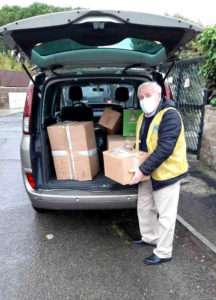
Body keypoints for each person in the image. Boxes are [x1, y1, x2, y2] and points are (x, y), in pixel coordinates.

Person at [129, 81, 188, 265]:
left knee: (166, 215)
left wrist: (141, 170)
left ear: (159, 95)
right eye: (141, 97)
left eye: (148, 96)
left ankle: (163, 252)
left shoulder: (170, 116)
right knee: (145, 208)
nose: (144, 100)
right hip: (148, 172)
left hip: (167, 174)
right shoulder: (143, 117)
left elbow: (165, 148)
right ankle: (150, 237)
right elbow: (144, 144)